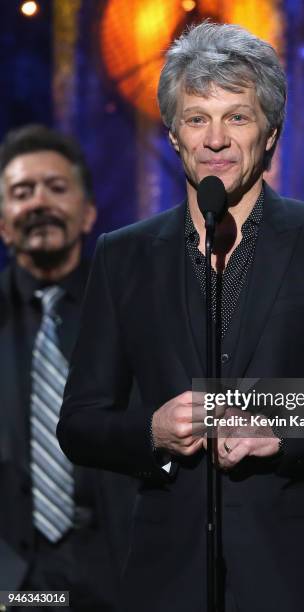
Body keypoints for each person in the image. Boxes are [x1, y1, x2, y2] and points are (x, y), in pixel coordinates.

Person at [57, 23, 304, 612]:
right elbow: (79, 423)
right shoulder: (123, 254)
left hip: (301, 578)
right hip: (167, 579)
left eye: (237, 116)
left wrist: (280, 425)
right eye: (197, 117)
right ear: (174, 135)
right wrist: (151, 432)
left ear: (271, 134)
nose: (215, 139)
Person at [0, 125, 135, 611]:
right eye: (21, 192)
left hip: (120, 572)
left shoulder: (132, 310)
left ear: (88, 213)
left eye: (57, 188)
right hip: (14, 582)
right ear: (2, 221)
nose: (39, 202)